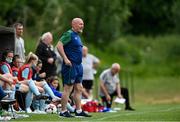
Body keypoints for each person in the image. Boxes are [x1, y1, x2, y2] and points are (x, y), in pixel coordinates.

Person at [56, 18, 91, 117]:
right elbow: (59, 45)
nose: (82, 26)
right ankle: (63, 111)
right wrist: (65, 59)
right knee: (68, 88)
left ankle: (78, 111)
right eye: (80, 24)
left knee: (79, 88)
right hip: (71, 66)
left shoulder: (77, 36)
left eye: (83, 24)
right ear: (74, 24)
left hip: (78, 66)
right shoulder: (69, 34)